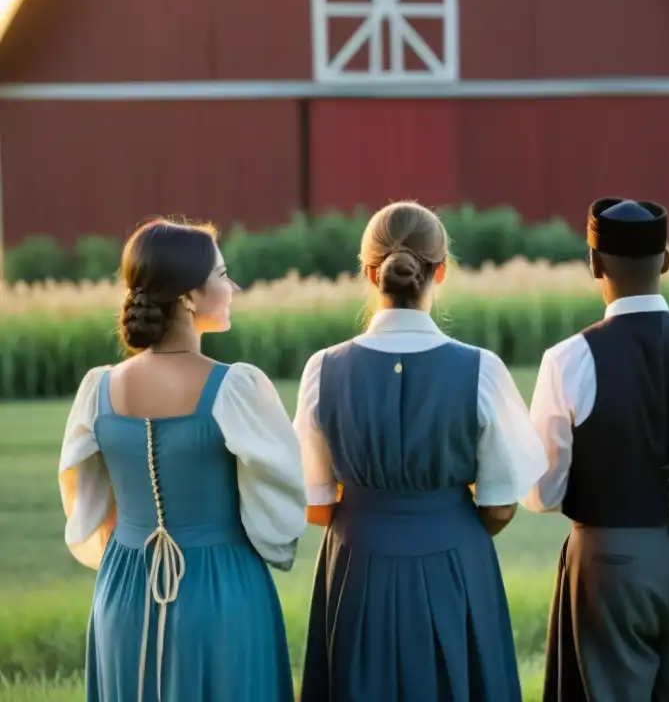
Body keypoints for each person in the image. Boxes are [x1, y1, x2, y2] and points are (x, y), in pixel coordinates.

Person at [294, 200, 549, 702]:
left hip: (357, 564)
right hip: (455, 560)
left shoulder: (322, 370)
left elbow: (316, 503)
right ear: (441, 271)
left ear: (369, 273)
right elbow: (500, 504)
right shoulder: (483, 370)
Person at [57, 218, 307, 702]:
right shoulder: (236, 388)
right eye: (222, 274)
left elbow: (87, 505)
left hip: (123, 593)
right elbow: (279, 510)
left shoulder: (99, 389)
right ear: (190, 297)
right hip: (221, 590)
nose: (231, 287)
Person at [522, 197, 669, 702]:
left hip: (610, 560)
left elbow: (542, 489)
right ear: (666, 260)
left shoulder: (568, 358)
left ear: (594, 263)